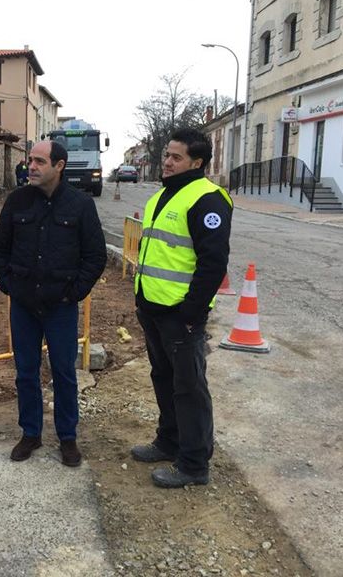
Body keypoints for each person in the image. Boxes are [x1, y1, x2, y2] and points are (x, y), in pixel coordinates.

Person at [0, 140, 106, 467]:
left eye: (40, 161)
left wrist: (74, 292)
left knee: (64, 373)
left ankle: (67, 438)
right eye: (30, 160)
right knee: (25, 372)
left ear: (59, 166)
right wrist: (8, 284)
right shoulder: (17, 201)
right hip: (24, 305)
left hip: (61, 307)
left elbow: (95, 256)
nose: (32, 166)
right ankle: (31, 433)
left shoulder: (80, 205)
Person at [131, 128, 233, 488]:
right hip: (153, 308)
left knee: (189, 387)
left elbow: (213, 263)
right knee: (164, 379)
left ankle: (193, 464)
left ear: (197, 162)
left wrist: (192, 313)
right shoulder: (162, 196)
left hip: (180, 315)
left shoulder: (207, 199)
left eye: (176, 157)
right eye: (166, 156)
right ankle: (169, 441)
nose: (168, 162)